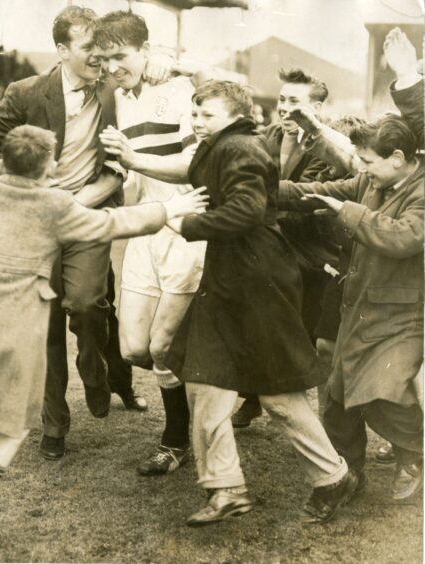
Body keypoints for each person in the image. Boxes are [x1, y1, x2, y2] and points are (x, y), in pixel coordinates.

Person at [0, 124, 208, 562]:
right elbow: (109, 223)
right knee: (12, 426)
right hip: (8, 317)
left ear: (3, 162)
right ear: (50, 166)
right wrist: (170, 206)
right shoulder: (54, 205)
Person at [115, 80, 356, 526]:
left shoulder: (239, 147)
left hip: (257, 282)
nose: (196, 120)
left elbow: (247, 210)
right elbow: (195, 175)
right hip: (231, 280)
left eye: (207, 113)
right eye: (195, 112)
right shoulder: (222, 145)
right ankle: (227, 489)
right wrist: (137, 162)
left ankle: (332, 475)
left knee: (279, 391)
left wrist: (184, 223)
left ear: (233, 114)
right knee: (205, 380)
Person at [0, 6, 162, 461]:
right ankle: (54, 424)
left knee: (86, 303)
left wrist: (85, 198)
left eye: (103, 49)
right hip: (37, 223)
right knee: (45, 322)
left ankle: (94, 371)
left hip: (89, 211)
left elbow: (124, 152)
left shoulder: (117, 91)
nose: (100, 58)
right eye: (88, 49)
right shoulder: (26, 91)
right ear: (61, 50)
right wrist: (20, 185)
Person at [278, 113, 423, 502]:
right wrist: (258, 188)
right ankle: (348, 470)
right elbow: (316, 189)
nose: (362, 169)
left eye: (368, 161)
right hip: (359, 308)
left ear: (397, 157)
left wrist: (348, 213)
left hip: (405, 316)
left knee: (380, 393)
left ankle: (414, 454)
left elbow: (405, 237)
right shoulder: (368, 181)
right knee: (338, 395)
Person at [95, 11, 205, 476]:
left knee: (162, 346)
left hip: (186, 224)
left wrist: (178, 63)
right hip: (145, 229)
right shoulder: (119, 96)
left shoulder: (179, 89)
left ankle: (176, 438)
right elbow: (121, 170)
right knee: (134, 349)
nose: (112, 67)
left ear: (144, 50)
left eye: (120, 56)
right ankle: (210, 376)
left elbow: (193, 165)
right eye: (104, 59)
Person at [232, 68, 336, 429]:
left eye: (294, 102)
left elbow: (306, 195)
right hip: (268, 245)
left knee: (304, 338)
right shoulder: (271, 134)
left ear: (317, 108)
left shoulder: (327, 145)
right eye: (281, 100)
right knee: (253, 322)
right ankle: (252, 399)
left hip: (310, 256)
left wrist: (252, 195)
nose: (284, 108)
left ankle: (312, 416)